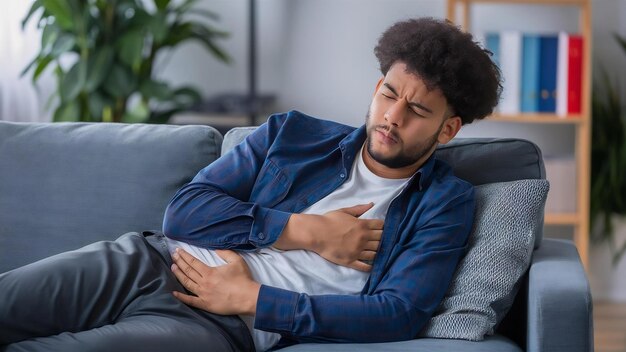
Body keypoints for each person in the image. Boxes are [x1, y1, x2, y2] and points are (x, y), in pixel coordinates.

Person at [0, 17, 500, 352]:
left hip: (213, 326)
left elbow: (398, 314)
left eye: (416, 111)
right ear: (376, 88)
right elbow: (185, 211)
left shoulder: (443, 203)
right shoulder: (292, 134)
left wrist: (253, 300)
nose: (392, 116)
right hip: (147, 260)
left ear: (448, 128)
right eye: (389, 93)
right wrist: (308, 231)